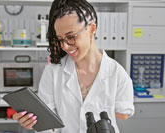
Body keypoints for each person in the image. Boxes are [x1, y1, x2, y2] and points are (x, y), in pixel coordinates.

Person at [12, 0, 134, 132]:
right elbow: (48, 127)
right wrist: (34, 121)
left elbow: (123, 113)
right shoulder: (53, 72)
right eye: (60, 39)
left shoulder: (117, 73)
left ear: (92, 29)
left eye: (70, 37)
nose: (64, 46)